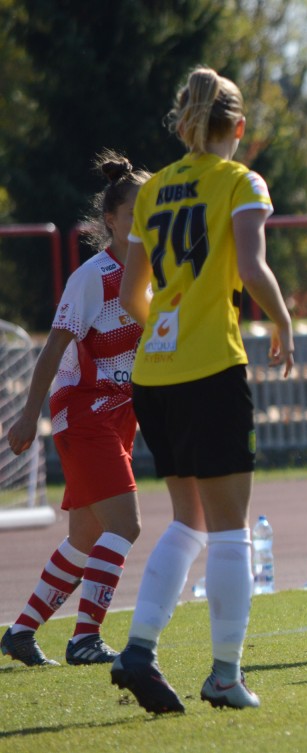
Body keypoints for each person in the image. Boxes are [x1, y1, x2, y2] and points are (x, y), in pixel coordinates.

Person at [111, 66, 294, 713]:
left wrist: (169, 328)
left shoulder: (154, 188)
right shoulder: (241, 181)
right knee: (229, 529)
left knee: (187, 519)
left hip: (154, 373)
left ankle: (138, 648)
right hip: (212, 368)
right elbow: (251, 266)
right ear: (237, 127)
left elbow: (131, 294)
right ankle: (223, 674)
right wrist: (284, 320)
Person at [2, 151, 150, 668]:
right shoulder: (95, 277)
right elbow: (53, 347)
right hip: (85, 413)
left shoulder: (152, 276)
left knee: (86, 537)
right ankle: (85, 637)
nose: (145, 222)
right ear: (110, 220)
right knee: (125, 526)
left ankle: (20, 632)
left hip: (118, 415)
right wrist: (29, 415)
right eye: (134, 214)